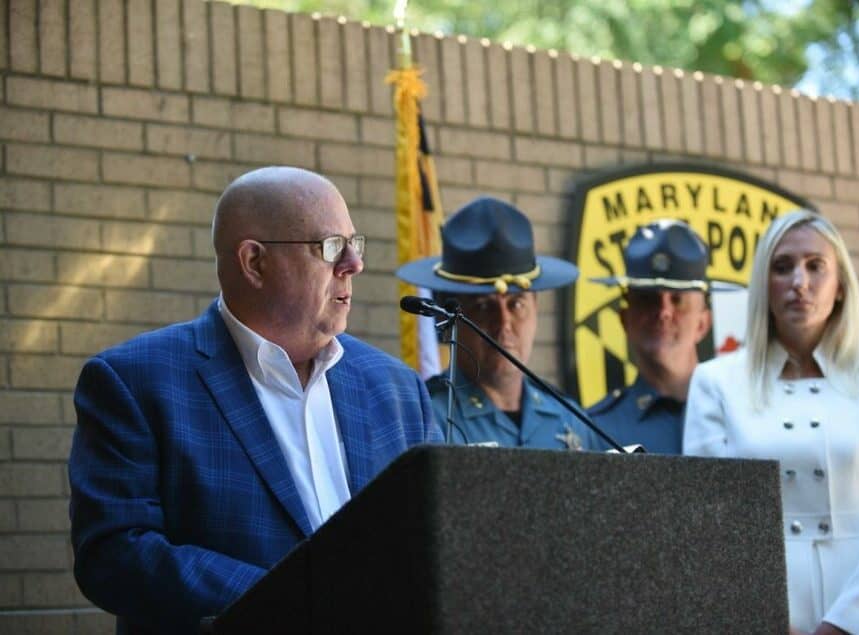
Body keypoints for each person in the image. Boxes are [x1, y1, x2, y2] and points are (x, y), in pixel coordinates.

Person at [68, 167, 442, 634]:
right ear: (254, 263)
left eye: (355, 243)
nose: (353, 264)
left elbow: (437, 537)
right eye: (329, 247)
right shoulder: (136, 382)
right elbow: (115, 553)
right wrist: (292, 600)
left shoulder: (396, 387)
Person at [683, 209, 859, 635]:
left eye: (815, 266)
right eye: (782, 267)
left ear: (840, 285)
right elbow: (708, 528)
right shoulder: (716, 382)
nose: (799, 283)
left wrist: (845, 626)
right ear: (763, 287)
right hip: (764, 619)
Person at [396, 196, 605, 450]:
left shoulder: (571, 419)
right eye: (484, 307)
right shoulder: (424, 421)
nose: (504, 323)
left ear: (535, 309)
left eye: (517, 304)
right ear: (445, 317)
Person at [586, 219, 713, 454]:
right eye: (647, 299)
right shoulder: (593, 429)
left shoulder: (736, 414)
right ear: (624, 319)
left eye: (678, 299)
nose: (663, 312)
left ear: (703, 323)